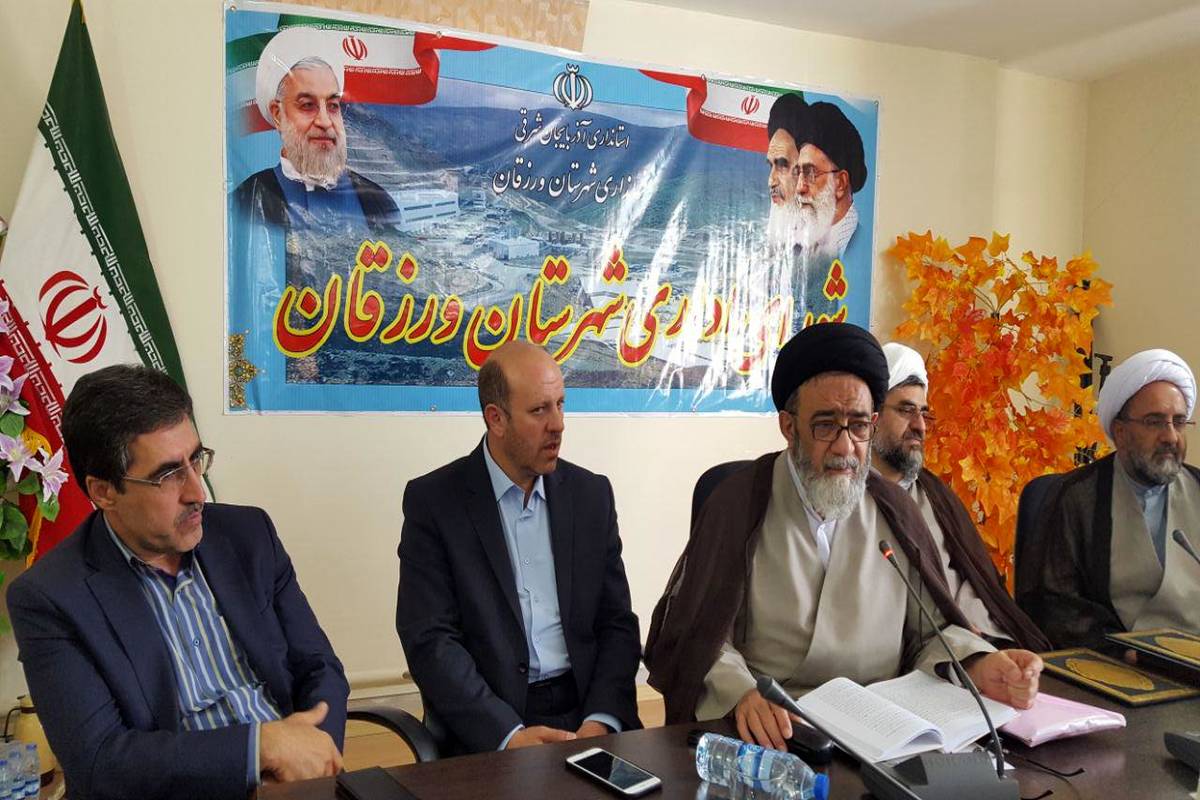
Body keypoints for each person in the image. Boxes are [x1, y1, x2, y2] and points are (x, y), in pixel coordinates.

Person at [644, 323, 1042, 748]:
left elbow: (930, 633)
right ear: (788, 427)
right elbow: (700, 635)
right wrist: (741, 692)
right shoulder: (740, 504)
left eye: (858, 426)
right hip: (778, 728)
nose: (844, 446)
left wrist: (979, 664)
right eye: (825, 425)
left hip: (883, 728)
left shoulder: (894, 509)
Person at [8, 365, 347, 800]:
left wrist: (313, 758)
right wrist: (258, 749)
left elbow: (319, 666)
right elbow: (100, 761)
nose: (197, 492)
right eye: (168, 474)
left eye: (196, 459)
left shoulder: (249, 535)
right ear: (103, 491)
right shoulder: (51, 596)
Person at [397, 341, 641, 754]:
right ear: (496, 419)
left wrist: (601, 720)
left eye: (560, 404)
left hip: (587, 714)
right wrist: (507, 735)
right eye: (539, 410)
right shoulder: (436, 503)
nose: (558, 425)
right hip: (492, 726)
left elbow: (616, 623)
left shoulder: (590, 496)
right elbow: (430, 639)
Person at [1016, 348, 1200, 648]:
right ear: (1121, 431)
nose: (1170, 436)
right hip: (1113, 662)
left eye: (1178, 422)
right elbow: (1052, 604)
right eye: (1154, 422)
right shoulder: (1077, 498)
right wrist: (1118, 649)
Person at [872, 343, 1050, 650]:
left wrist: (990, 643)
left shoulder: (934, 493)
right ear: (872, 416)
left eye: (923, 413)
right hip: (925, 654)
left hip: (985, 642)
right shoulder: (851, 500)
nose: (919, 426)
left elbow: (979, 583)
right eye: (905, 410)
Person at [233, 53, 398, 232]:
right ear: (278, 114)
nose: (325, 122)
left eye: (333, 106)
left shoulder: (377, 200)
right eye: (307, 105)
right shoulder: (248, 198)